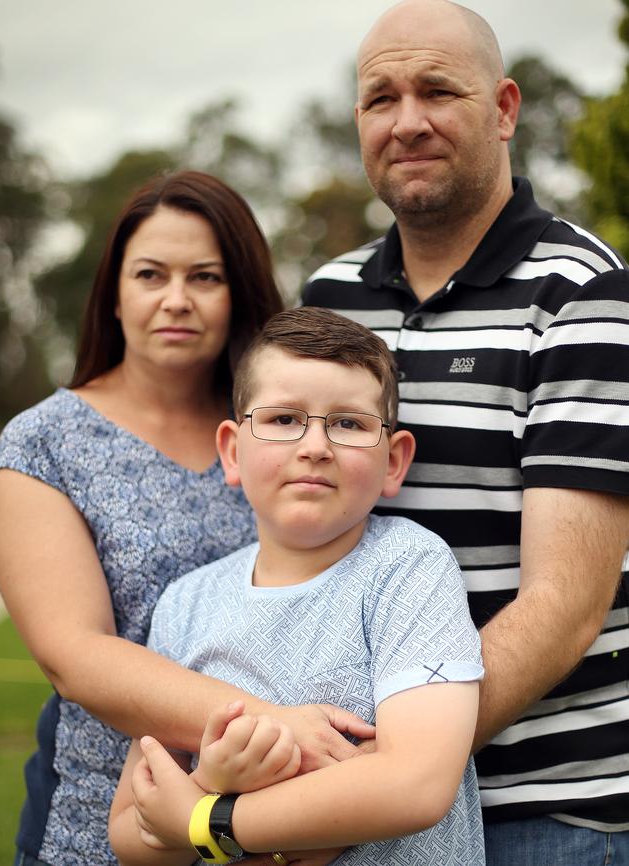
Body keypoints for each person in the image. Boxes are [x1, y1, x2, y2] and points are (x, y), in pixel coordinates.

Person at [302, 1, 629, 864]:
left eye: (438, 90)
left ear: (506, 109)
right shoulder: (328, 299)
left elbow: (563, 607)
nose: (407, 122)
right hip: (363, 797)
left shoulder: (584, 292)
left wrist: (390, 757)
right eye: (381, 99)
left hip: (541, 811)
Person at [0, 172, 374, 866]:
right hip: (115, 823)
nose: (176, 299)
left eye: (204, 277)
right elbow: (74, 656)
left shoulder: (284, 427)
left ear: (239, 293)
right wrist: (270, 724)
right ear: (113, 291)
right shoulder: (44, 443)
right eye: (149, 274)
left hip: (293, 818)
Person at [108, 306, 485, 866]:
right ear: (233, 452)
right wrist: (210, 778)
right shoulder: (186, 603)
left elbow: (417, 785)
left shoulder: (409, 568)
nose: (314, 446)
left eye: (349, 424)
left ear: (394, 461)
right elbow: (129, 833)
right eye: (284, 419)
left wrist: (207, 820)